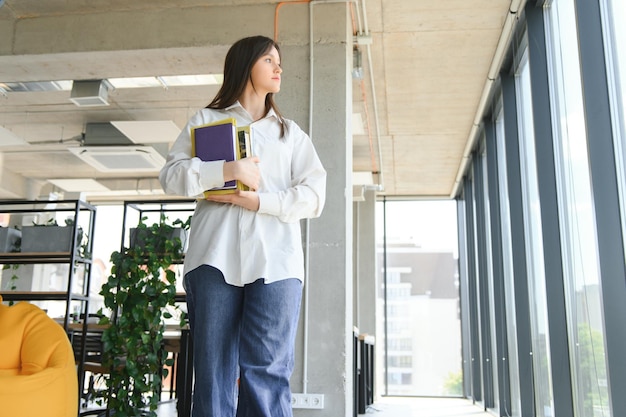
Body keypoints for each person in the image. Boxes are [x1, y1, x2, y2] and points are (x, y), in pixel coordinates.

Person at [159, 35, 327, 417]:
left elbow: (315, 196)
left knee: (267, 371)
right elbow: (170, 177)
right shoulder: (206, 121)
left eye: (278, 61)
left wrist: (259, 201)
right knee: (213, 372)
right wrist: (227, 171)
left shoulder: (289, 133)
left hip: (276, 264)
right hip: (213, 260)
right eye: (269, 60)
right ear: (245, 65)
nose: (279, 68)